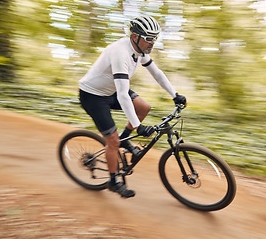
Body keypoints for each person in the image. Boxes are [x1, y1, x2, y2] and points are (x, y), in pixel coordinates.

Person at [79, 15, 187, 198]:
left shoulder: (140, 51)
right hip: (92, 96)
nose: (153, 43)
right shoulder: (120, 53)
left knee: (143, 107)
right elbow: (122, 95)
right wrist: (138, 126)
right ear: (135, 37)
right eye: (149, 38)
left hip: (109, 90)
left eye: (155, 38)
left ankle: (125, 140)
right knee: (112, 142)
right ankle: (113, 181)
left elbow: (157, 74)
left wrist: (174, 95)